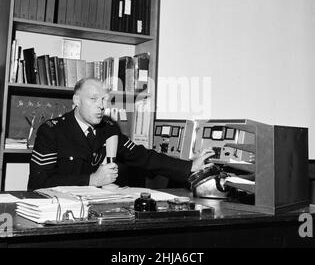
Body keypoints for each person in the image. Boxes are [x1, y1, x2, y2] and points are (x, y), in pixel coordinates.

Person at [27, 78, 213, 190]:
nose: (101, 105)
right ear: (76, 100)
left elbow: (143, 156)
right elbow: (39, 182)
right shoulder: (51, 131)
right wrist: (92, 180)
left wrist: (189, 166)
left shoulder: (108, 129)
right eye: (93, 99)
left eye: (104, 100)